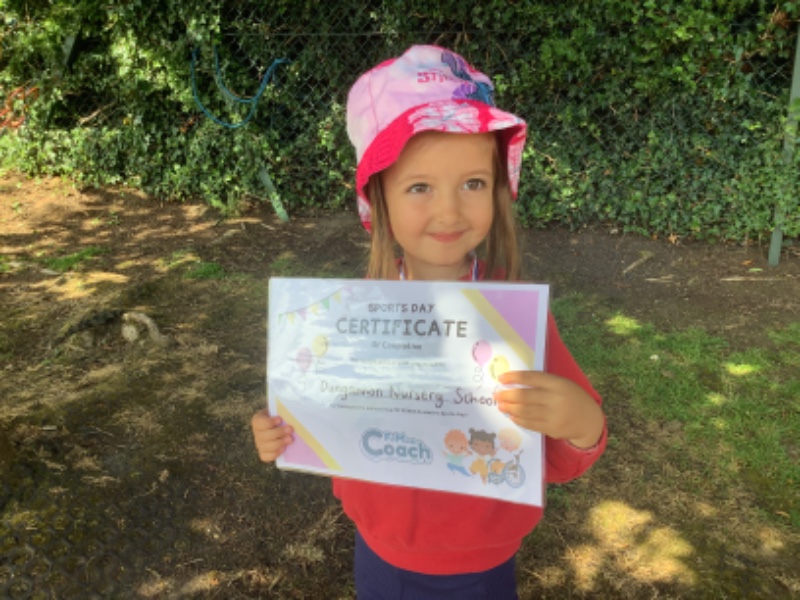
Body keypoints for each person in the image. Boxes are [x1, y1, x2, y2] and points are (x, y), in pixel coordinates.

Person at [252, 44, 607, 599]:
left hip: (485, 568)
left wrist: (580, 421)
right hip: (380, 558)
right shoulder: (349, 320)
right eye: (419, 187)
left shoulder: (516, 321)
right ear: (380, 199)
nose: (449, 211)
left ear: (499, 189)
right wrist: (282, 430)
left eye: (473, 183)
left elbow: (566, 453)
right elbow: (323, 415)